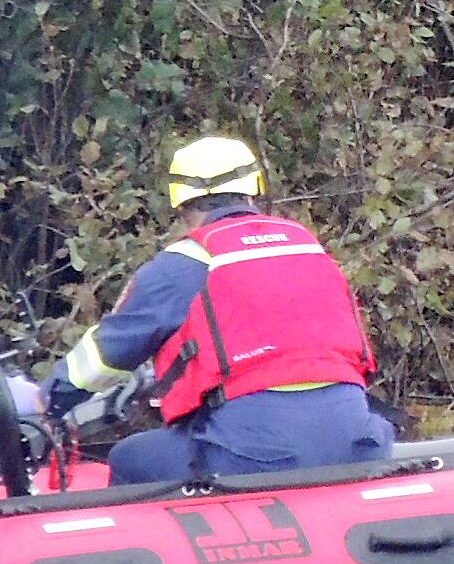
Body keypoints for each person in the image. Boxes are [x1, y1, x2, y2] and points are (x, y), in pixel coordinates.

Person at [38, 133, 394, 484]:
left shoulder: (186, 262)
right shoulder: (308, 248)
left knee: (129, 458)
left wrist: (47, 399)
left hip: (254, 455)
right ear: (254, 189)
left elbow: (104, 356)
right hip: (359, 444)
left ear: (180, 203)